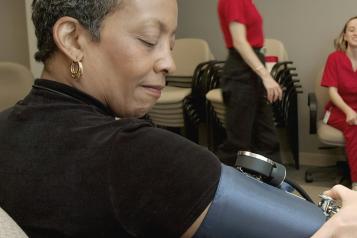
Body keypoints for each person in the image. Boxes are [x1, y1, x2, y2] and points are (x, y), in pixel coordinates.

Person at [0, 0, 357, 237]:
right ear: (73, 39)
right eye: (148, 39)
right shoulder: (138, 155)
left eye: (170, 45)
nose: (169, 63)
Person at [216, 0, 283, 166]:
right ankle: (212, 185)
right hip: (241, 71)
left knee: (267, 138)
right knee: (238, 143)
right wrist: (266, 76)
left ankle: (273, 186)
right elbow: (239, 42)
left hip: (252, 69)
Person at [320, 16, 357, 191]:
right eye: (352, 29)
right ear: (344, 35)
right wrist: (349, 111)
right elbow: (332, 92)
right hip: (337, 110)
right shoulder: (334, 58)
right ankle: (356, 184)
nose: (356, 33)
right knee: (354, 126)